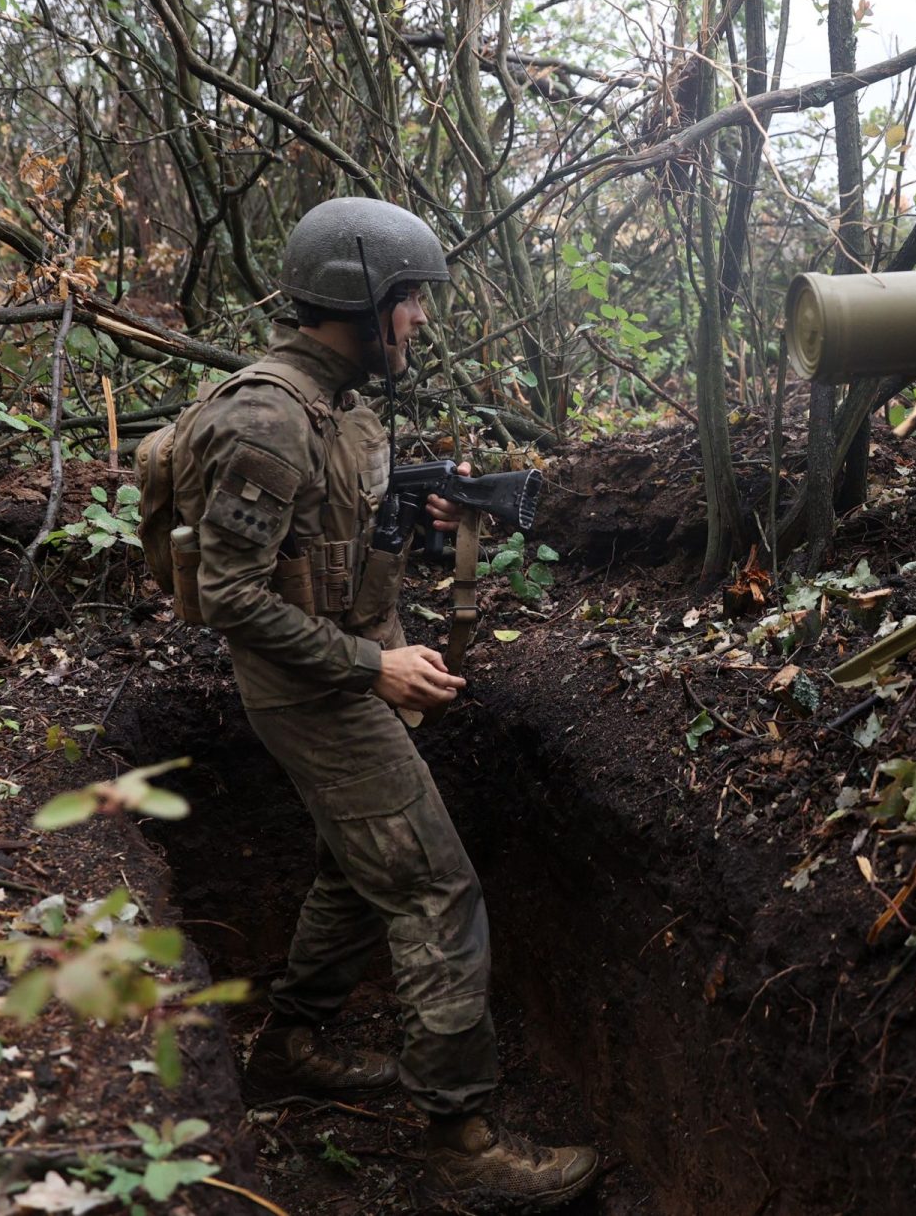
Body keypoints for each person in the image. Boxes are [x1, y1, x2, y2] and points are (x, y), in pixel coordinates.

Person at [173, 198, 598, 1211]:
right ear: (358, 299)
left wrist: (418, 525)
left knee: (361, 869)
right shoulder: (271, 418)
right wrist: (375, 672)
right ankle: (462, 1142)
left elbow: (327, 558)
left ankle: (292, 1046)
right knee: (434, 889)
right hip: (314, 691)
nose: (419, 321)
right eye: (408, 301)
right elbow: (230, 599)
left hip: (340, 670)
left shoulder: (339, 409)